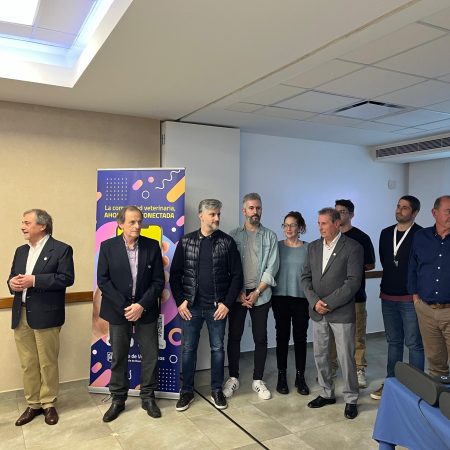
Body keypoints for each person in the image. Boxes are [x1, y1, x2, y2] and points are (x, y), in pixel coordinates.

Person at [170, 199, 243, 411]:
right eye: (212, 214)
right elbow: (174, 275)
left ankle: (216, 390)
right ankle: (186, 392)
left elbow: (237, 276)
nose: (217, 218)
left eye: (218, 213)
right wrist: (180, 302)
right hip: (191, 308)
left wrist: (226, 304)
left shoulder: (227, 242)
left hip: (216, 308)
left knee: (217, 349)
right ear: (201, 216)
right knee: (188, 349)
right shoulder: (186, 242)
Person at [97, 206, 165, 422]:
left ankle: (148, 397)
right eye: (132, 222)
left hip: (146, 309)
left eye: (139, 222)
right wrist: (126, 307)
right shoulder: (107, 247)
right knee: (118, 355)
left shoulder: (152, 246)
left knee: (151, 355)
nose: (137, 226)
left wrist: (141, 306)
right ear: (121, 224)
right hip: (119, 311)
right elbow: (103, 281)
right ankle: (118, 399)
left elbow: (158, 281)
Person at [8, 209, 74, 426]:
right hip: (21, 313)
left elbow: (66, 278)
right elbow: (12, 277)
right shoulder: (20, 251)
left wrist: (34, 280)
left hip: (46, 314)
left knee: (47, 362)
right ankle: (33, 404)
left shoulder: (61, 249)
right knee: (28, 363)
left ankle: (48, 403)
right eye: (22, 222)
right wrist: (11, 283)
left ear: (42, 225)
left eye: (27, 222)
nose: (22, 226)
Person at [301, 207, 363, 419]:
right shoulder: (313, 247)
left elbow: (353, 283)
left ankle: (351, 398)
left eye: (324, 223)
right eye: (319, 223)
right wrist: (314, 302)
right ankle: (327, 393)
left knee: (346, 357)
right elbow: (305, 278)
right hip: (318, 312)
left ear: (337, 223)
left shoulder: (353, 247)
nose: (320, 227)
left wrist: (327, 303)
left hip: (341, 313)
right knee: (320, 355)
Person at [224, 193, 279, 400]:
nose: (255, 211)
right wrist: (238, 292)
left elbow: (272, 267)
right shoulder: (233, 236)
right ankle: (233, 377)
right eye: (251, 208)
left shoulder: (270, 236)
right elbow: (228, 267)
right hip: (237, 295)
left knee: (260, 337)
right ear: (244, 210)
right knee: (234, 336)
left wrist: (256, 292)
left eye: (258, 208)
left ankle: (258, 380)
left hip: (261, 294)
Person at [371, 196, 424, 400]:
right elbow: (386, 260)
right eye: (398, 206)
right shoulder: (386, 233)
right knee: (394, 342)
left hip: (410, 298)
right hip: (388, 296)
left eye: (405, 208)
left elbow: (421, 266)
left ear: (415, 213)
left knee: (414, 343)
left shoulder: (421, 235)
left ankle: (417, 387)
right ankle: (392, 383)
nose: (399, 210)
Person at [332, 199, 375, 388]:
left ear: (351, 214)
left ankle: (359, 369)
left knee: (358, 334)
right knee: (332, 335)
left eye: (342, 211)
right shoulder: (330, 236)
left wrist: (351, 268)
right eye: (336, 211)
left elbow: (370, 264)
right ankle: (332, 367)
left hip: (356, 296)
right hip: (333, 297)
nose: (338, 214)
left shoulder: (361, 237)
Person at [408, 195, 450, 377]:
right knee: (435, 359)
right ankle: (440, 390)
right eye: (448, 211)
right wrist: (415, 297)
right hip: (426, 309)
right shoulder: (421, 236)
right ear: (434, 213)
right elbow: (412, 267)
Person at [272, 211, 310, 395]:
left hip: (301, 299)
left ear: (300, 227)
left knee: (300, 338)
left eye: (292, 225)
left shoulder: (309, 249)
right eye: (285, 225)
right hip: (280, 298)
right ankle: (281, 376)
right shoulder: (277, 247)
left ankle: (300, 377)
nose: (288, 228)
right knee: (282, 337)